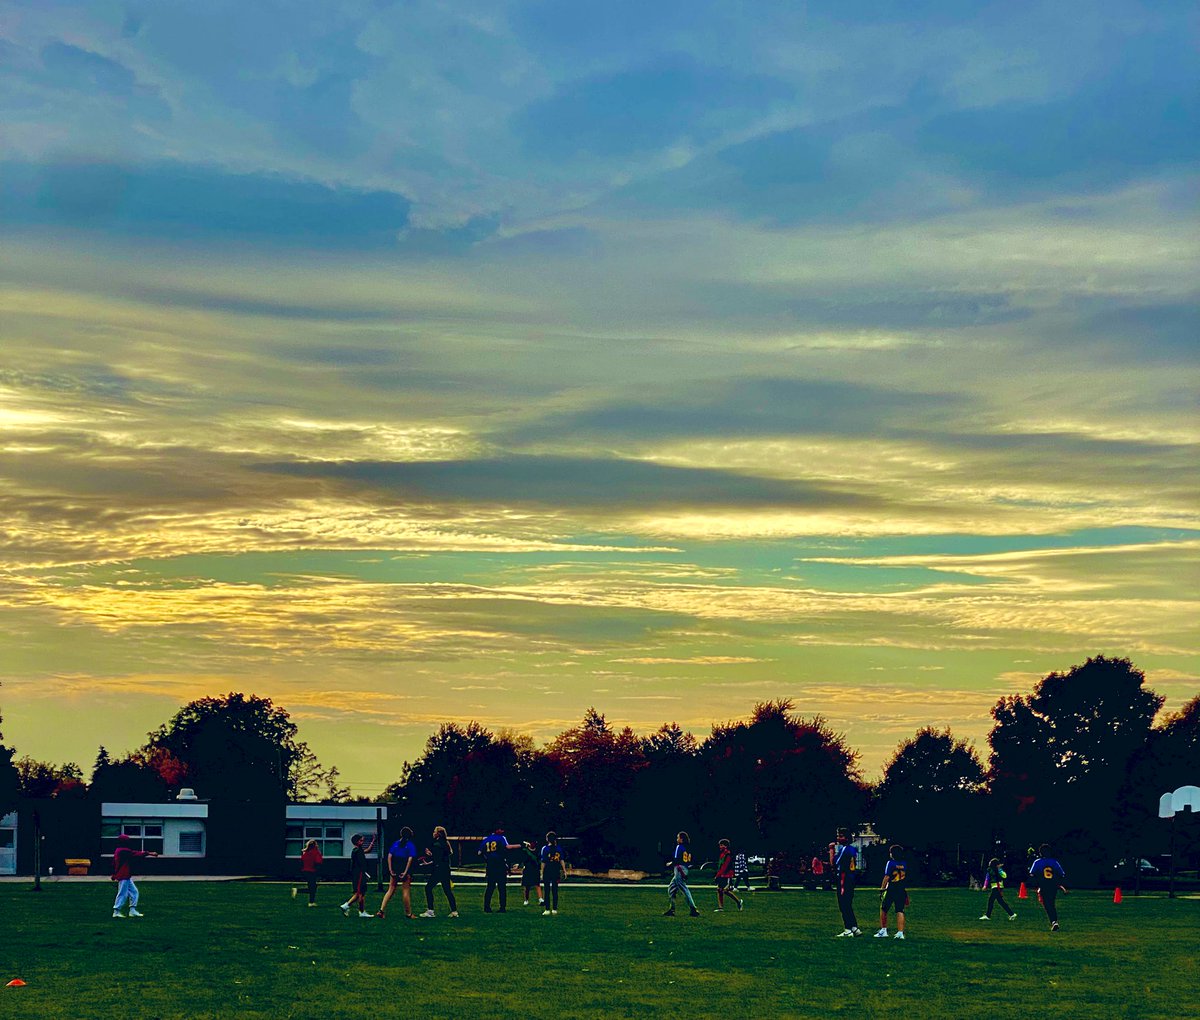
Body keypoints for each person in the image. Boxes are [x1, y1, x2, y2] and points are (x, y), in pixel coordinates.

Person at [111, 833, 159, 918]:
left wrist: (114, 874)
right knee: (122, 893)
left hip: (125, 875)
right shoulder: (123, 851)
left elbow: (115, 864)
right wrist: (150, 853)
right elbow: (136, 853)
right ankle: (116, 911)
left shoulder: (119, 850)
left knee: (134, 892)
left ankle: (132, 911)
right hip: (123, 875)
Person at [377, 826, 417, 919]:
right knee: (406, 891)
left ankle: (381, 910)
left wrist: (391, 870)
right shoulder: (410, 845)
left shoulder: (395, 844)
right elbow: (410, 860)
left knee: (390, 889)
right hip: (404, 868)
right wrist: (405, 872)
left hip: (395, 867)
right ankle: (408, 914)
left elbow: (389, 857)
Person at [420, 825, 459, 918]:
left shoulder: (436, 844)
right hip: (445, 870)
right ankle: (454, 911)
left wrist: (429, 856)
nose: (433, 833)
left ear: (438, 834)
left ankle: (430, 910)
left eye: (434, 831)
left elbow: (437, 859)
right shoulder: (446, 843)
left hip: (438, 870)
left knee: (428, 888)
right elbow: (442, 858)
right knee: (447, 891)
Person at [1029, 843, 1068, 931]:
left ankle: (1054, 921)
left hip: (1043, 885)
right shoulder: (1054, 862)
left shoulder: (1037, 862)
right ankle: (1054, 921)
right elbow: (1061, 874)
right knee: (1051, 903)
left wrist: (1036, 881)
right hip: (1053, 886)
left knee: (1047, 904)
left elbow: (1032, 874)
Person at [480, 826, 519, 912]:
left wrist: (487, 858)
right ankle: (502, 907)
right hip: (499, 864)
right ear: (497, 830)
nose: (502, 831)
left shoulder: (486, 839)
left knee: (490, 886)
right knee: (501, 887)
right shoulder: (501, 838)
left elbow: (480, 852)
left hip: (490, 865)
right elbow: (507, 847)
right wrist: (519, 845)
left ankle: (487, 907)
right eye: (501, 829)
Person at [663, 831, 700, 917]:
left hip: (679, 869)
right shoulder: (688, 848)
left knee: (684, 889)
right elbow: (690, 861)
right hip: (685, 868)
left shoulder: (679, 847)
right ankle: (671, 909)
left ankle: (693, 909)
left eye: (678, 837)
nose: (677, 839)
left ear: (682, 839)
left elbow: (676, 859)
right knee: (671, 889)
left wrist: (670, 864)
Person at [874, 844, 908, 939]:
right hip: (901, 888)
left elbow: (887, 876)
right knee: (900, 910)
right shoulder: (904, 864)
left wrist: (882, 888)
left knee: (884, 909)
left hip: (892, 888)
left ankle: (883, 930)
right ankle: (900, 932)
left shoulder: (890, 863)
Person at [833, 831, 862, 937]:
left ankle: (847, 929)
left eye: (841, 836)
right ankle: (854, 927)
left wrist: (831, 851)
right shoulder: (853, 849)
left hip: (844, 878)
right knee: (848, 904)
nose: (838, 838)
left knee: (843, 904)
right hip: (851, 878)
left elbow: (835, 863)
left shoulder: (844, 849)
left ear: (846, 838)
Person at [340, 834, 374, 917]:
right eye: (361, 840)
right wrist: (365, 873)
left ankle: (361, 911)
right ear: (357, 841)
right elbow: (360, 864)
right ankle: (347, 906)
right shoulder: (358, 851)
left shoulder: (357, 850)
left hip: (358, 874)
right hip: (359, 874)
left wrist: (372, 843)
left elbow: (368, 850)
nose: (362, 842)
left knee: (360, 893)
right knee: (360, 893)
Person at [979, 857, 1016, 921]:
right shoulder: (990, 870)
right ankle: (1012, 914)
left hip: (997, 887)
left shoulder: (998, 869)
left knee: (991, 900)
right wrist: (985, 885)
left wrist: (999, 869)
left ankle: (988, 915)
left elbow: (1004, 876)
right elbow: (987, 878)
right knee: (1000, 902)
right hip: (996, 887)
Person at [713, 838, 744, 912]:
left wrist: (719, 875)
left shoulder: (728, 854)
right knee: (719, 890)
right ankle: (721, 907)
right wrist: (718, 875)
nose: (720, 847)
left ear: (725, 846)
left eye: (721, 845)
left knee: (725, 890)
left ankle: (738, 902)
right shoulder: (722, 855)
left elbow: (725, 866)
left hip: (727, 875)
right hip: (721, 875)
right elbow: (720, 866)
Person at [541, 831, 564, 915]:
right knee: (555, 890)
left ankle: (547, 909)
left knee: (547, 890)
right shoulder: (559, 848)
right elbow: (561, 860)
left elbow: (543, 862)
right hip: (555, 870)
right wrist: (564, 870)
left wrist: (541, 872)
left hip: (547, 871)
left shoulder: (545, 849)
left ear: (547, 839)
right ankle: (554, 908)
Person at [300, 838, 323, 907]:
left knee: (312, 886)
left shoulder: (305, 853)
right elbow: (318, 862)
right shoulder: (316, 852)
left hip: (305, 870)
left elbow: (302, 861)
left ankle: (299, 891)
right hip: (312, 871)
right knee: (313, 887)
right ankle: (311, 902)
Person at [519, 841, 543, 907]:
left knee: (537, 884)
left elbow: (539, 860)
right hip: (527, 870)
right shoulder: (525, 851)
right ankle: (526, 900)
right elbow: (522, 860)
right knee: (527, 886)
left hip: (535, 869)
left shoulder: (538, 851)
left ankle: (541, 899)